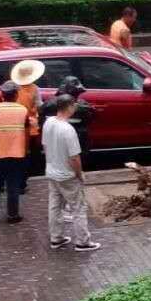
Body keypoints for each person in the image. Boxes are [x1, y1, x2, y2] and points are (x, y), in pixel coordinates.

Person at [42, 93, 100, 252]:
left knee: (54, 207)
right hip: (67, 175)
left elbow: (46, 147)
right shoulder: (68, 130)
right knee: (78, 208)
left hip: (52, 172)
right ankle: (83, 242)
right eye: (74, 105)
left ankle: (57, 238)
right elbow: (74, 158)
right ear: (69, 107)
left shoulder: (48, 123)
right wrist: (80, 174)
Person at [0, 81, 30, 224]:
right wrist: (26, 149)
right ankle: (13, 216)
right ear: (16, 95)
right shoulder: (23, 110)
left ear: (2, 95)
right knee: (13, 186)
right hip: (17, 155)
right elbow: (26, 133)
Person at [10, 57, 44, 192]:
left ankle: (11, 180)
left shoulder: (12, 88)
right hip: (29, 127)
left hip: (13, 125)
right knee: (26, 155)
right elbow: (39, 106)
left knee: (14, 155)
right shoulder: (34, 89)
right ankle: (22, 184)